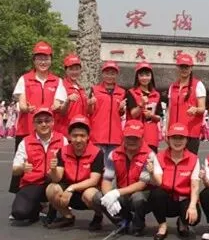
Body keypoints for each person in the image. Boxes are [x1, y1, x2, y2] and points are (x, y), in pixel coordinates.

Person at [10, 42, 66, 193]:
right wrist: (25, 108)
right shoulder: (25, 79)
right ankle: (22, 195)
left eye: (46, 58)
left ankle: (49, 197)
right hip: (26, 129)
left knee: (50, 165)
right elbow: (21, 102)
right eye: (39, 58)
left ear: (51, 60)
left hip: (48, 132)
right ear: (34, 60)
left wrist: (57, 105)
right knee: (23, 165)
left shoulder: (57, 81)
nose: (43, 62)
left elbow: (58, 102)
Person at [96, 120, 162, 236]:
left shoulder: (149, 155)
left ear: (142, 138)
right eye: (128, 137)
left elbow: (141, 184)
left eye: (135, 138)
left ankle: (138, 224)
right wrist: (108, 196)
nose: (131, 141)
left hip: (141, 194)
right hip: (122, 192)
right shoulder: (113, 154)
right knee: (99, 197)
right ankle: (122, 221)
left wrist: (116, 192)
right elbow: (107, 179)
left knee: (138, 198)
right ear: (123, 136)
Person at [45, 116, 105, 229]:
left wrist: (71, 188)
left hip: (87, 190)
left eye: (82, 136)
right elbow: (57, 178)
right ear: (69, 136)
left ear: (88, 136)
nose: (78, 140)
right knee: (51, 189)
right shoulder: (63, 151)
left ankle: (98, 216)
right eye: (75, 135)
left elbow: (94, 180)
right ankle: (67, 216)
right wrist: (53, 170)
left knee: (91, 195)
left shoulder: (97, 152)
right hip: (68, 190)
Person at [10, 108, 67, 223]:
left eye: (47, 121)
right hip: (33, 183)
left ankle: (57, 207)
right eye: (39, 122)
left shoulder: (62, 139)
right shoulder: (25, 142)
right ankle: (37, 207)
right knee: (19, 212)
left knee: (58, 195)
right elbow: (15, 170)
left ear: (53, 122)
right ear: (34, 124)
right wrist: (22, 168)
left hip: (54, 183)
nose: (44, 124)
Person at [149, 123, 201, 240]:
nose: (177, 141)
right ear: (168, 139)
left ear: (187, 140)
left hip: (184, 199)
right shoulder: (159, 157)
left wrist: (192, 206)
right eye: (174, 138)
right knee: (156, 193)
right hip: (166, 200)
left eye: (181, 138)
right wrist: (152, 173)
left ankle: (182, 222)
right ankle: (162, 225)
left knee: (193, 219)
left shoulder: (194, 159)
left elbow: (195, 186)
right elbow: (159, 182)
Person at [88, 61, 127, 191]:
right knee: (97, 168)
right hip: (98, 135)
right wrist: (90, 104)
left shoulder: (122, 92)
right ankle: (95, 195)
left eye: (113, 73)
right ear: (102, 74)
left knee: (112, 169)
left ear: (117, 75)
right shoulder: (94, 90)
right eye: (107, 73)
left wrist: (121, 109)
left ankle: (110, 196)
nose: (110, 76)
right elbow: (89, 111)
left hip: (115, 137)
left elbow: (121, 114)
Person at [167, 54, 207, 154]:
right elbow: (169, 110)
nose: (184, 69)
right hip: (174, 133)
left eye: (187, 67)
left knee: (190, 161)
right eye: (182, 67)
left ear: (191, 68)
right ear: (177, 68)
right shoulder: (172, 87)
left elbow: (202, 108)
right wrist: (166, 129)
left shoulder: (198, 85)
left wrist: (195, 109)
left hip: (190, 133)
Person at [125, 62, 163, 153]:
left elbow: (159, 117)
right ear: (137, 77)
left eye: (147, 75)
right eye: (141, 75)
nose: (144, 78)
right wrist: (141, 104)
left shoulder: (156, 95)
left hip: (151, 137)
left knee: (150, 161)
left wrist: (151, 116)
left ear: (151, 77)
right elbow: (133, 114)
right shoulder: (131, 93)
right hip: (134, 134)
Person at [56, 54, 88, 137]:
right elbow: (59, 110)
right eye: (71, 69)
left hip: (80, 131)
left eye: (77, 69)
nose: (74, 72)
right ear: (66, 70)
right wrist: (67, 100)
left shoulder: (81, 88)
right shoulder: (61, 86)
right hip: (66, 132)